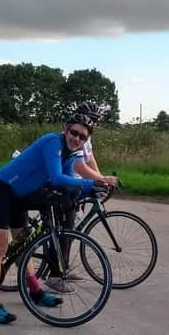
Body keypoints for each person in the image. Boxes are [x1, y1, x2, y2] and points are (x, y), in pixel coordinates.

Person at [0, 113, 98, 324]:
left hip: (21, 195)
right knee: (0, 245)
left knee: (24, 246)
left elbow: (65, 183)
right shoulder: (53, 142)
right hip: (4, 189)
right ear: (65, 129)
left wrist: (91, 192)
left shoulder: (70, 154)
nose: (77, 139)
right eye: (74, 133)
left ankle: (35, 291)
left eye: (82, 137)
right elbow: (56, 177)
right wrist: (91, 184)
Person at [45, 101, 118, 293]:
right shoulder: (74, 135)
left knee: (71, 229)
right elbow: (79, 167)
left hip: (74, 184)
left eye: (95, 120)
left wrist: (103, 179)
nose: (92, 122)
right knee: (65, 228)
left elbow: (91, 160)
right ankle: (55, 274)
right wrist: (101, 180)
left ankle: (64, 268)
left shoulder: (86, 137)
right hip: (68, 183)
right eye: (91, 119)